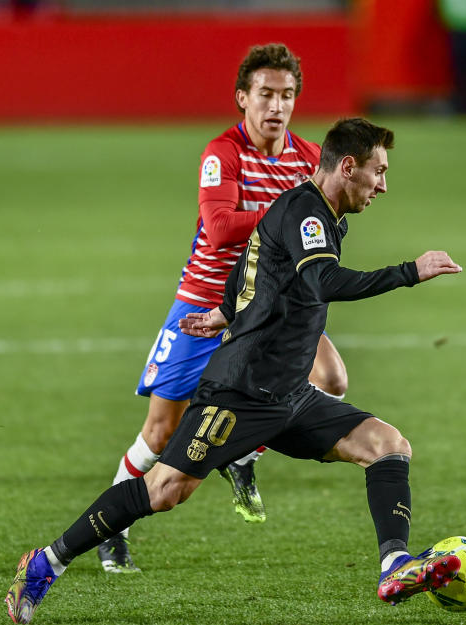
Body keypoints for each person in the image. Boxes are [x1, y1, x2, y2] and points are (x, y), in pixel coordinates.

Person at [5, 118, 465, 625]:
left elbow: (254, 266)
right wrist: (410, 271)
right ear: (348, 167)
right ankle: (45, 563)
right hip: (240, 391)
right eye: (378, 172)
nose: (383, 185)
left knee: (388, 445)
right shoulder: (306, 212)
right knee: (164, 491)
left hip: (291, 393)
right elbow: (322, 280)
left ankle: (394, 564)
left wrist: (225, 312)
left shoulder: (325, 214)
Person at [97, 43, 350, 573]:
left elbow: (325, 223)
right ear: (243, 98)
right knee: (162, 432)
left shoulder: (308, 159)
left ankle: (244, 454)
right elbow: (217, 227)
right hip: (204, 300)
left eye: (286, 96)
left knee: (331, 378)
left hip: (268, 307)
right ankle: (111, 526)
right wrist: (284, 216)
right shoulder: (224, 153)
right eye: (265, 94)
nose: (276, 106)